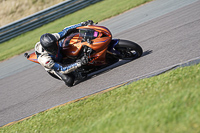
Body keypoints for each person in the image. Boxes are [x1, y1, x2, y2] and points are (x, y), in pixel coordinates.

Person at [35, 20, 93, 87]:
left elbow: (66, 30)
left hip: (60, 52)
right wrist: (79, 63)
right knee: (69, 81)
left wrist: (82, 24)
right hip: (54, 65)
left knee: (73, 36)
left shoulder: (54, 38)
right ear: (46, 48)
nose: (54, 48)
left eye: (54, 45)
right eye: (51, 48)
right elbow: (62, 69)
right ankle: (76, 73)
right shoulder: (45, 60)